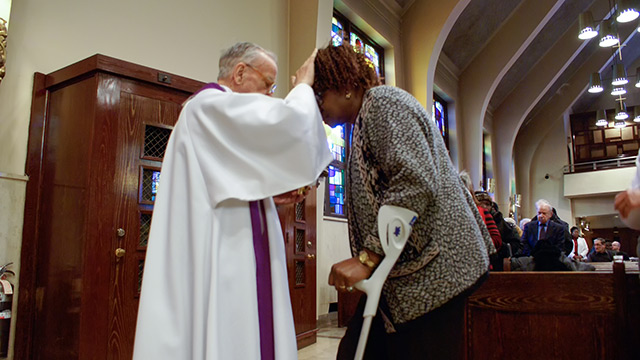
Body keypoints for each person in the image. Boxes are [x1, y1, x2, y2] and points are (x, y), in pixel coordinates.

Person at [133, 42, 333, 360]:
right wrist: (303, 87)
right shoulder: (208, 106)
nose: (270, 95)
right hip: (223, 252)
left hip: (234, 246)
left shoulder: (217, 114)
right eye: (268, 85)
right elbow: (287, 123)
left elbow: (233, 182)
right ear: (240, 72)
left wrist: (268, 193)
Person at [315, 44, 494, 360]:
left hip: (435, 274)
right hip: (406, 277)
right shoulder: (365, 118)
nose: (317, 105)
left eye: (319, 94)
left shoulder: (383, 104)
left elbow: (414, 181)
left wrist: (367, 259)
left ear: (343, 86)